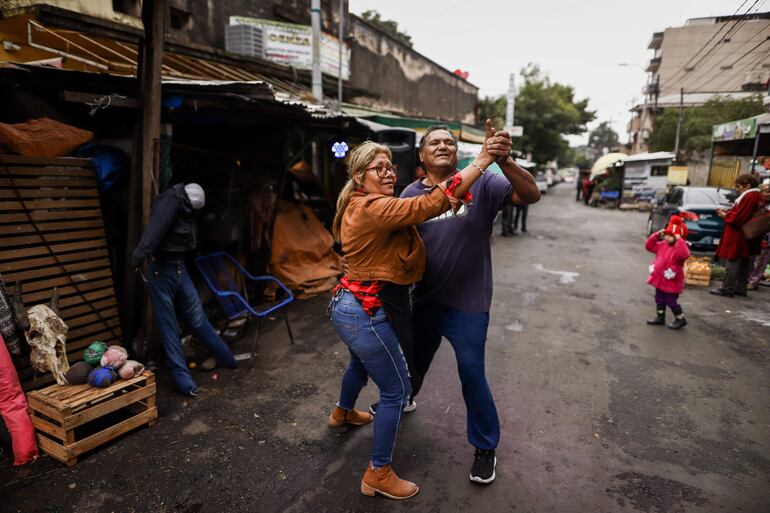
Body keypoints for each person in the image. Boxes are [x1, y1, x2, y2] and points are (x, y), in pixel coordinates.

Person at [328, 126, 511, 500]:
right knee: (396, 388)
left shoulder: (368, 202)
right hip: (369, 307)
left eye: (390, 166)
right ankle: (378, 472)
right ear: (360, 176)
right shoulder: (379, 204)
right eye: (378, 168)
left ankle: (342, 412)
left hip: (367, 304)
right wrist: (482, 161)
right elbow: (424, 208)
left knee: (363, 365)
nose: (388, 172)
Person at [395, 124, 540, 485]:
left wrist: (503, 160)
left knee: (472, 373)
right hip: (426, 299)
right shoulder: (412, 193)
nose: (442, 145)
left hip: (469, 302)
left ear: (457, 152)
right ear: (422, 156)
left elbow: (530, 195)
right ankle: (404, 398)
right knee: (411, 360)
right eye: (434, 142)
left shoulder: (484, 183)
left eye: (449, 142)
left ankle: (485, 447)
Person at [132, 183, 237, 396]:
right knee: (179, 324)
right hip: (169, 269)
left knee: (179, 323)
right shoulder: (174, 204)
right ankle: (189, 380)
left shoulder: (177, 203)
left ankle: (219, 363)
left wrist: (138, 256)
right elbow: (156, 229)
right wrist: (140, 254)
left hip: (171, 269)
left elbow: (156, 229)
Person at [711, 174, 765, 297]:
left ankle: (727, 288)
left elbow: (738, 218)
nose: (737, 189)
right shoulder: (757, 196)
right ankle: (740, 288)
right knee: (745, 261)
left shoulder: (750, 196)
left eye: (739, 186)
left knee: (734, 260)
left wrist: (726, 216)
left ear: (748, 186)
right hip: (749, 235)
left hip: (739, 235)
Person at [645, 215, 691, 329]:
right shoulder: (662, 245)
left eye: (671, 235)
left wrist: (679, 240)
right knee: (659, 298)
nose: (667, 237)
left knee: (670, 300)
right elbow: (649, 246)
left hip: (672, 280)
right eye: (666, 234)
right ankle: (660, 317)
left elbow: (685, 254)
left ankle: (680, 319)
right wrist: (656, 236)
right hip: (660, 278)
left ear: (677, 236)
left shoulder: (680, 248)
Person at [747, 183, 770, 290]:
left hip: (767, 238)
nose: (769, 194)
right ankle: (747, 278)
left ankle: (754, 281)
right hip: (754, 235)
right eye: (767, 191)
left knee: (762, 261)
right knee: (750, 259)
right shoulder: (756, 203)